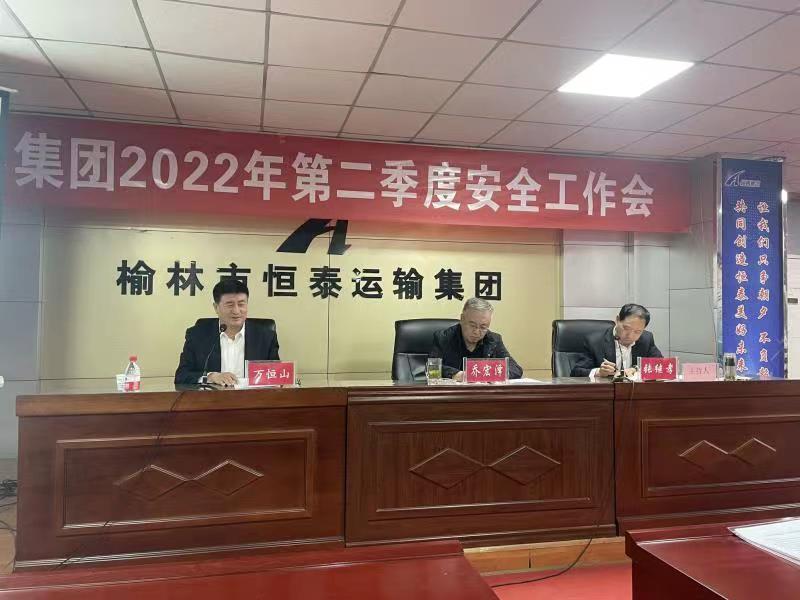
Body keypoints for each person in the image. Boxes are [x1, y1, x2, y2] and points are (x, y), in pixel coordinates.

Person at [174, 279, 279, 386]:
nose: (236, 311)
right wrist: (210, 377)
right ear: (216, 308)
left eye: (241, 304)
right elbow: (181, 375)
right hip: (212, 396)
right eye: (230, 305)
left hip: (254, 396)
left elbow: (276, 376)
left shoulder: (266, 337)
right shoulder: (197, 335)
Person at [429, 297, 523, 381]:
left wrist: (487, 373)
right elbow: (432, 368)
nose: (477, 332)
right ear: (462, 319)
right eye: (472, 325)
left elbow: (515, 369)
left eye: (483, 327)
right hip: (453, 393)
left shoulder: (494, 340)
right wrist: (457, 374)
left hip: (484, 393)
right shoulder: (443, 337)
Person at [571, 303, 662, 378]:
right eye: (626, 328)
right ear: (618, 320)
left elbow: (661, 366)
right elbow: (576, 372)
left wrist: (636, 369)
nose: (630, 335)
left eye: (637, 332)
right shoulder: (595, 341)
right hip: (606, 392)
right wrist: (599, 372)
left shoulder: (646, 339)